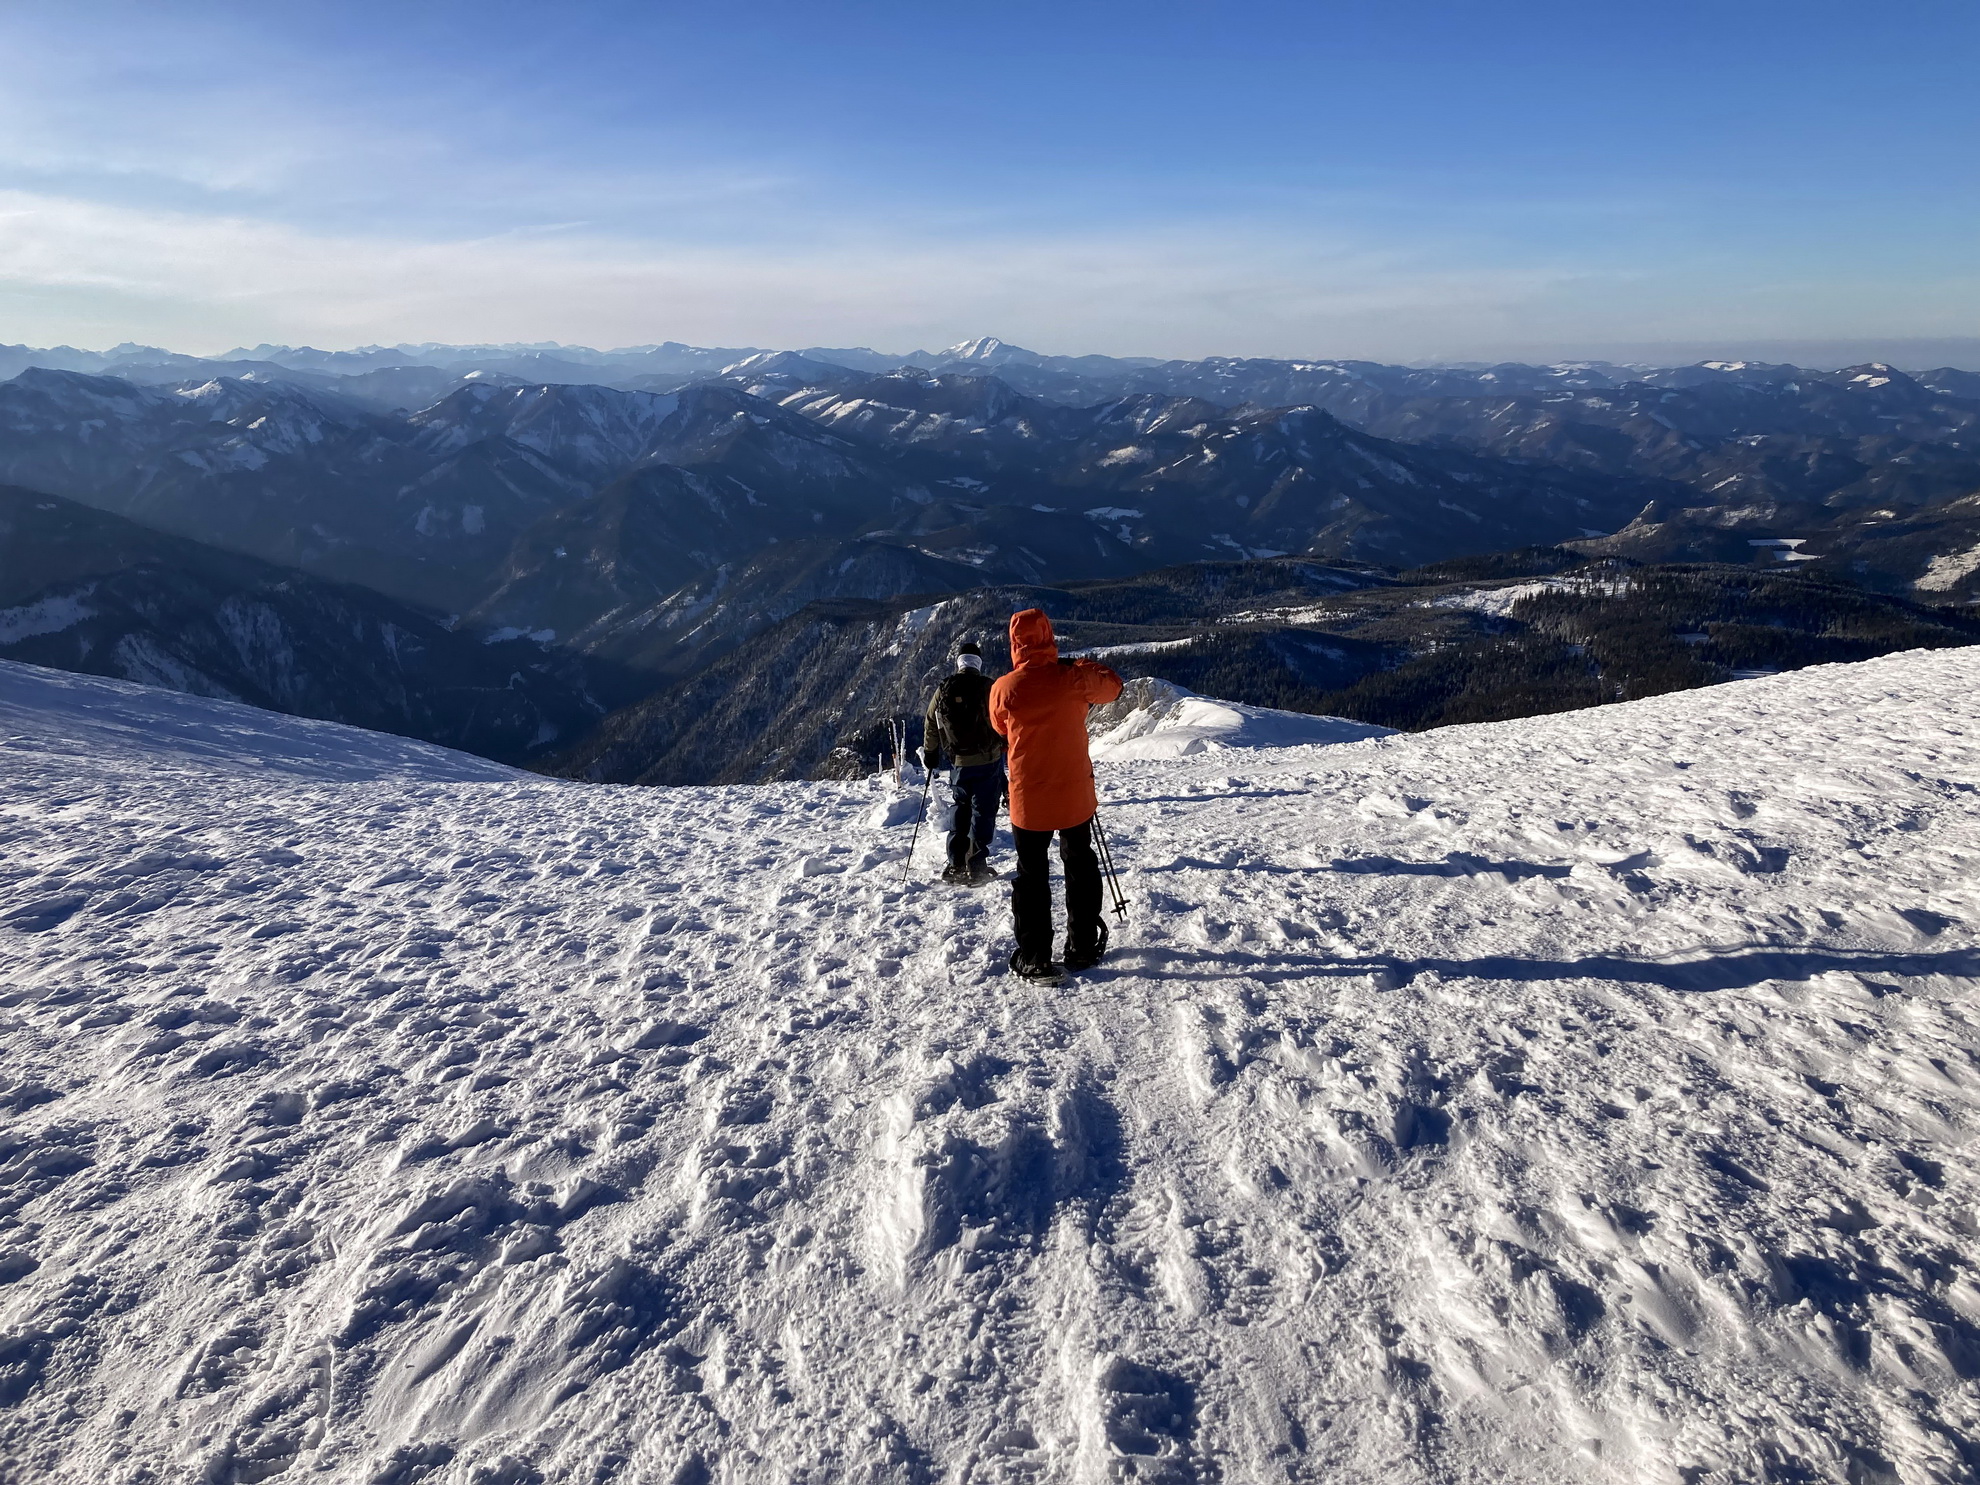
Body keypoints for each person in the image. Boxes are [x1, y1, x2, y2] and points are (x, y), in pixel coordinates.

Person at [988, 608, 1124, 981]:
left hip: (1028, 799)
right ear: (1050, 637)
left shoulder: (1005, 688)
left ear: (1015, 644)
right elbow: (1113, 686)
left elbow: (998, 724)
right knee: (1079, 865)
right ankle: (1081, 946)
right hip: (1074, 794)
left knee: (1031, 875)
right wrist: (1078, 662)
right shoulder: (1074, 679)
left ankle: (1035, 956)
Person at [921, 641, 1006, 886]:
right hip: (988, 760)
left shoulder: (945, 688)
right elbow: (1003, 719)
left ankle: (955, 861)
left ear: (959, 662)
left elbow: (930, 722)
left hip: (958, 762)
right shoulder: (989, 686)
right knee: (983, 811)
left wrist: (931, 754)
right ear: (978, 662)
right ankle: (976, 864)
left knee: (961, 807)